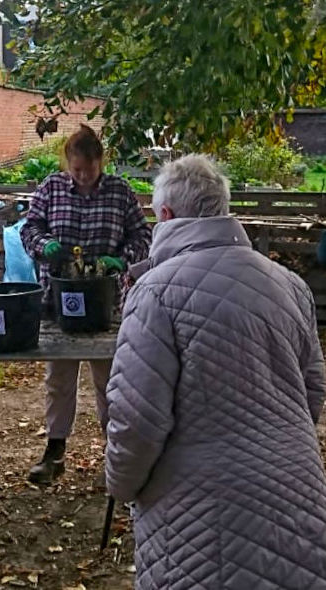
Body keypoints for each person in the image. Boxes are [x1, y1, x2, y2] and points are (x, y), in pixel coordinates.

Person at [105, 154, 326, 589]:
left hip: (195, 513)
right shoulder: (290, 284)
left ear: (165, 216)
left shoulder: (154, 291)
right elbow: (312, 390)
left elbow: (136, 419)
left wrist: (121, 485)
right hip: (299, 496)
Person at [20, 124, 151, 485]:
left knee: (109, 379)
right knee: (58, 377)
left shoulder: (120, 193)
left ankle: (116, 451)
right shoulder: (51, 188)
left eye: (88, 170)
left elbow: (143, 235)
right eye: (76, 170)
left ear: (100, 163)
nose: (82, 177)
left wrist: (121, 260)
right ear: (67, 164)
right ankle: (55, 448)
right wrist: (43, 245)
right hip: (58, 299)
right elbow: (28, 228)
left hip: (105, 302)